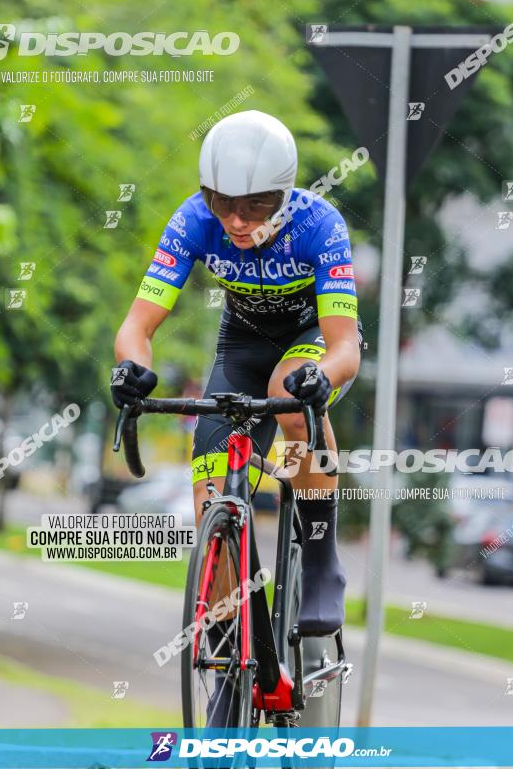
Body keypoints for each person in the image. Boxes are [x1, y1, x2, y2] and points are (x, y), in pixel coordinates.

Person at [111, 109, 363, 725]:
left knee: (292, 396)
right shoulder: (193, 220)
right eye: (222, 202)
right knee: (209, 507)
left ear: (284, 191)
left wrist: (320, 379)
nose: (236, 220)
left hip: (310, 342)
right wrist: (131, 369)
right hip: (241, 349)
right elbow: (137, 327)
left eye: (254, 204)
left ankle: (323, 554)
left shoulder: (319, 225)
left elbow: (346, 349)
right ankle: (227, 663)